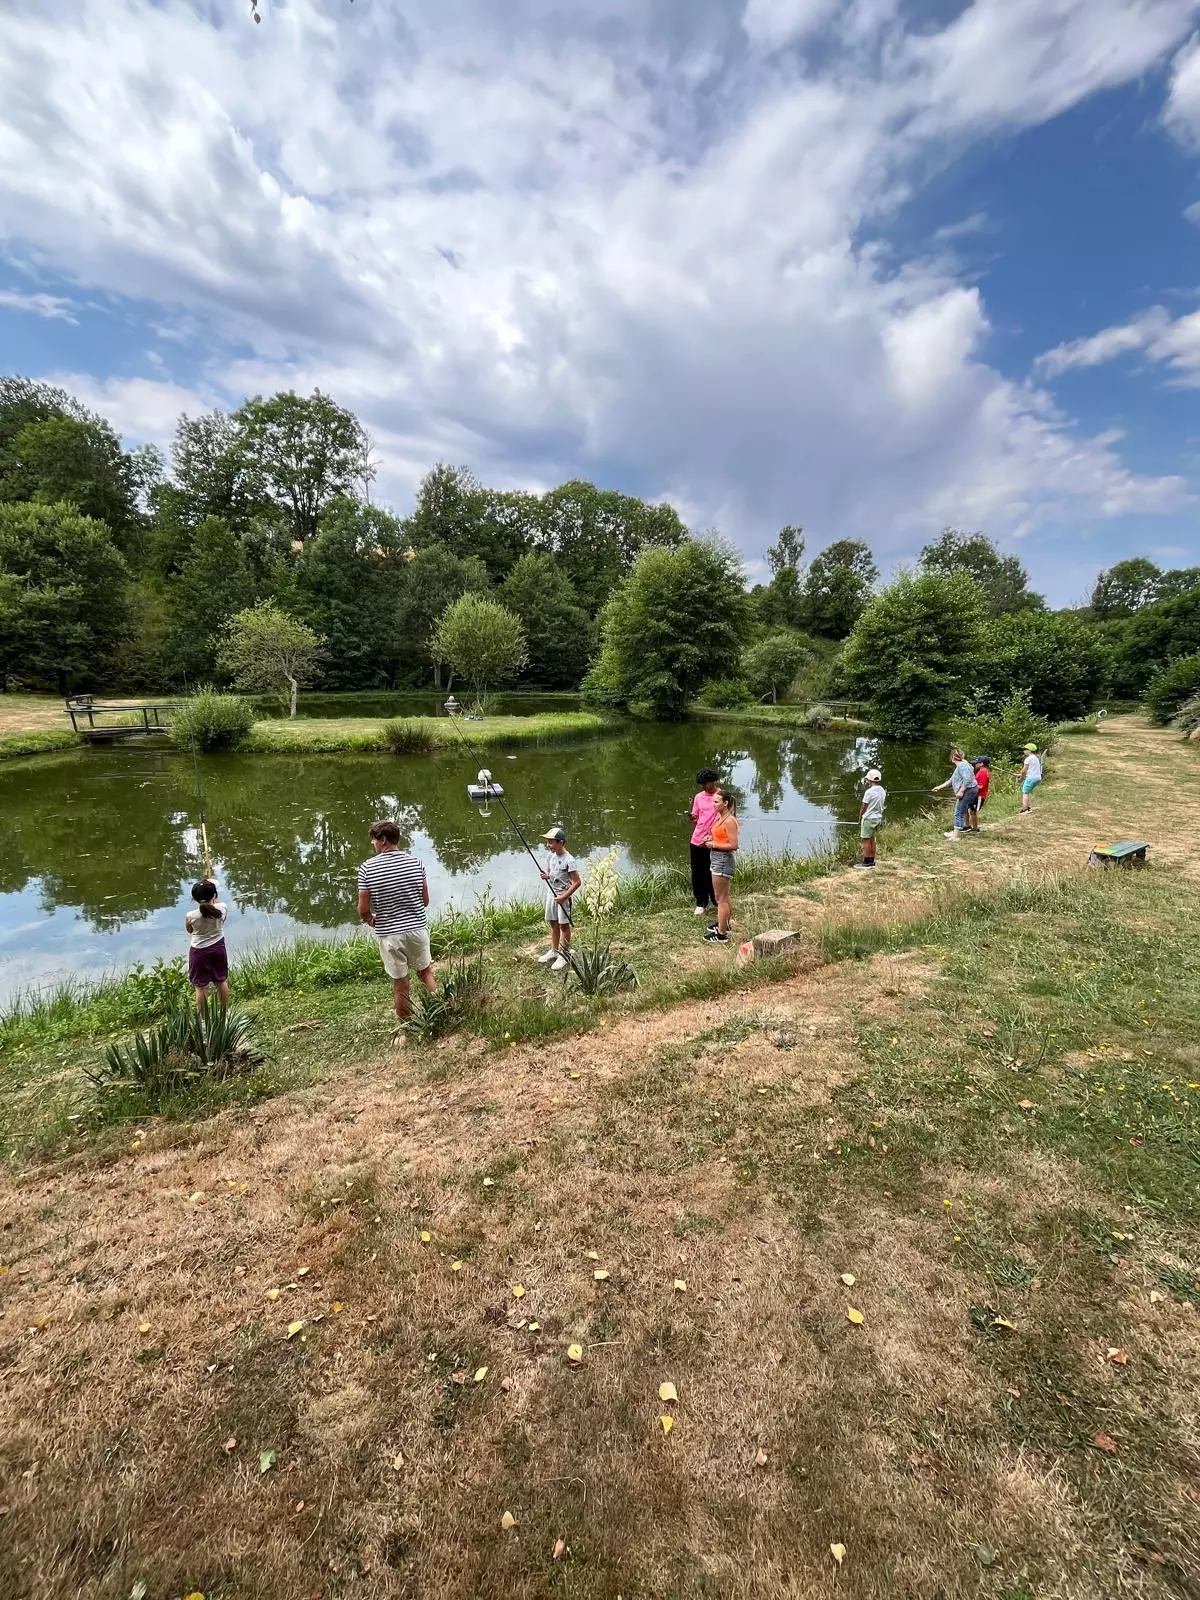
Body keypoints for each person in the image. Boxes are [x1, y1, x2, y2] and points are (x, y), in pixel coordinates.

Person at [356, 819, 435, 1037]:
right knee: (425, 972)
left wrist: (369, 919)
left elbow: (363, 908)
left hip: (390, 935)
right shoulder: (416, 863)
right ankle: (441, 1013)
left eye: (374, 840)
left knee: (401, 986)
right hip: (417, 930)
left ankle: (405, 1031)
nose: (373, 844)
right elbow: (425, 900)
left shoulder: (367, 868)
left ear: (383, 840)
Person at [539, 826, 582, 972]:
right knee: (553, 923)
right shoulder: (550, 856)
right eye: (547, 842)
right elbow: (551, 873)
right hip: (551, 895)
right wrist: (547, 876)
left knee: (564, 926)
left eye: (551, 842)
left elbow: (577, 882)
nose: (548, 845)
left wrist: (563, 897)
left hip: (563, 897)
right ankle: (554, 950)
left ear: (561, 842)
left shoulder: (569, 860)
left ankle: (564, 955)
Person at [185, 879, 229, 1012]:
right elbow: (217, 906)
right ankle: (226, 1012)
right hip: (218, 948)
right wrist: (214, 892)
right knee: (221, 980)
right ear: (214, 895)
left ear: (195, 898)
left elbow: (190, 931)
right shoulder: (222, 908)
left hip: (199, 952)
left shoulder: (190, 916)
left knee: (200, 986)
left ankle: (204, 1018)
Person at [704, 789, 740, 942]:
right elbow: (721, 837)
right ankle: (725, 924)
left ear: (725, 803)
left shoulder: (730, 821)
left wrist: (714, 844)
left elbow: (733, 845)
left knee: (720, 899)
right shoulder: (721, 818)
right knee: (724, 896)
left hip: (723, 861)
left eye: (716, 802)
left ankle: (721, 934)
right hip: (717, 859)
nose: (713, 804)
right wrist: (711, 838)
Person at [689, 767, 720, 916]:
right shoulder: (698, 797)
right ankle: (701, 902)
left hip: (714, 840)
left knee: (713, 872)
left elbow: (728, 817)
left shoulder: (722, 796)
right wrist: (692, 818)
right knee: (697, 872)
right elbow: (696, 817)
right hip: (697, 839)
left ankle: (716, 900)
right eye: (701, 784)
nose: (704, 787)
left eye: (705, 783)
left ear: (712, 781)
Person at [933, 747, 979, 839]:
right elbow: (951, 780)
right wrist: (939, 787)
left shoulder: (962, 766)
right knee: (960, 810)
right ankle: (956, 832)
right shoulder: (962, 765)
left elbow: (967, 779)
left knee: (958, 812)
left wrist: (961, 791)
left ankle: (955, 836)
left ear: (953, 757)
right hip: (969, 790)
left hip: (968, 790)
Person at [856, 768, 886, 867]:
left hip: (868, 819)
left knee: (866, 840)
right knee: (872, 839)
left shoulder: (869, 792)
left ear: (870, 780)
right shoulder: (882, 790)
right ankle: (872, 861)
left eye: (868, 779)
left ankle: (866, 862)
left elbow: (864, 806)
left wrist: (860, 817)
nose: (867, 781)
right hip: (878, 818)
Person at [1020, 743, 1043, 813]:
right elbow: (1032, 769)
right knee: (1028, 792)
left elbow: (1024, 770)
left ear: (1029, 750)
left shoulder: (1028, 759)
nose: (1024, 751)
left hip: (1031, 778)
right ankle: (1028, 807)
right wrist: (1022, 775)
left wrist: (1021, 777)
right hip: (1038, 778)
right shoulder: (1036, 758)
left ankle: (1025, 809)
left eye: (1025, 749)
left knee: (1025, 792)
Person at [969, 757, 991, 828]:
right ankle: (973, 827)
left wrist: (969, 788)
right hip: (976, 795)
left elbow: (981, 786)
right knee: (972, 811)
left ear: (982, 764)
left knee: (973, 811)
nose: (975, 764)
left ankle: (975, 828)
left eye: (977, 763)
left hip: (979, 795)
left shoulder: (983, 772)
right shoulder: (981, 771)